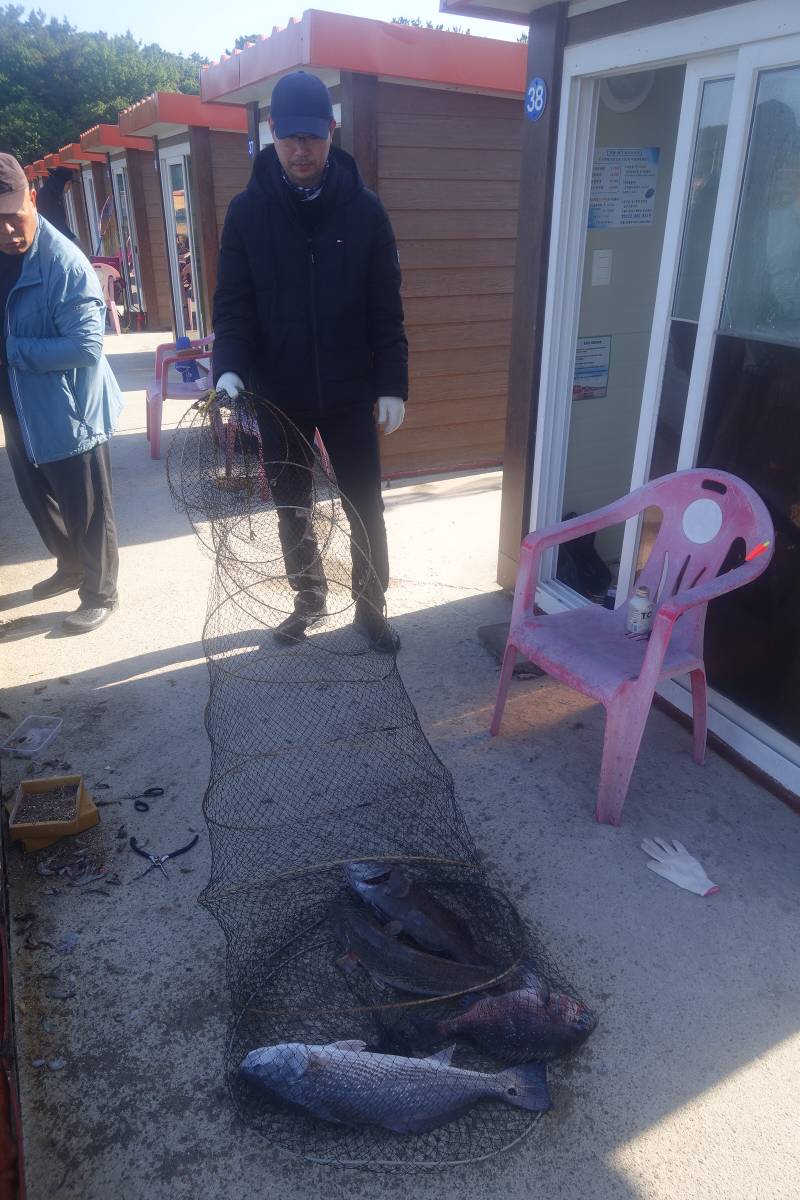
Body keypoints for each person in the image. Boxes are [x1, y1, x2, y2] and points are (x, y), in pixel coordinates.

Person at [212, 70, 408, 653]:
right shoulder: (246, 213)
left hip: (350, 391)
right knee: (291, 504)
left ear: (331, 131)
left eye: (313, 136)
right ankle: (309, 598)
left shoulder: (365, 212)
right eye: (291, 136)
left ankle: (370, 606)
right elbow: (233, 303)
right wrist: (230, 366)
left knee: (364, 504)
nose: (302, 149)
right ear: (273, 132)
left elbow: (386, 308)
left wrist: (392, 383)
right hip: (280, 393)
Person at [0, 152, 123, 633]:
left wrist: (13, 349)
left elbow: (86, 347)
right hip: (19, 402)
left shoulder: (65, 264)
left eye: (14, 215)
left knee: (87, 507)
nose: (8, 230)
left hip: (71, 409)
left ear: (32, 198)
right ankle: (70, 566)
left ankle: (101, 592)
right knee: (39, 498)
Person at [35, 166, 78, 244]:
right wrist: (73, 240)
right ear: (61, 182)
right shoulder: (45, 196)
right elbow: (56, 224)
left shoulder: (53, 194)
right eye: (68, 183)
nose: (69, 187)